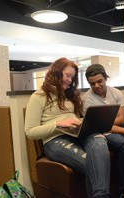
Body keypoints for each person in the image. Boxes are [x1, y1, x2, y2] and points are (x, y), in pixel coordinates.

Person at [25, 58, 110, 198]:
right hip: (55, 140)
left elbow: (77, 118)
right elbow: (30, 132)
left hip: (78, 134)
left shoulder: (71, 95)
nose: (70, 80)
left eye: (72, 77)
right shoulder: (39, 96)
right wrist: (58, 124)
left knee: (101, 142)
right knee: (92, 164)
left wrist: (90, 127)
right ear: (56, 73)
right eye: (67, 75)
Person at [82, 64, 124, 198]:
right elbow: (100, 127)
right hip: (99, 132)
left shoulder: (116, 93)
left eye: (99, 81)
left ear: (106, 78)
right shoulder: (87, 100)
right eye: (92, 83)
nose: (96, 86)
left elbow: (121, 118)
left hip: (109, 127)